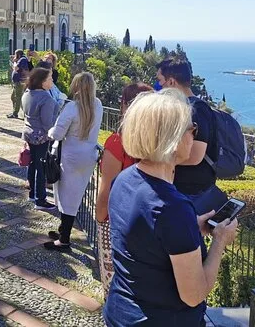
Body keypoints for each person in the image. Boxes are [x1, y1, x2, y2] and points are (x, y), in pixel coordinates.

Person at [103, 89, 238, 327]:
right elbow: (194, 295)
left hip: (120, 312)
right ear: (173, 139)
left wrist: (191, 228)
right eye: (191, 128)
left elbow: (145, 240)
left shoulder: (124, 180)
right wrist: (220, 242)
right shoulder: (172, 207)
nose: (194, 135)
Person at [95, 82, 152, 295]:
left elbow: (106, 191)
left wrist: (100, 219)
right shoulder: (157, 145)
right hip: (146, 223)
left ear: (125, 106)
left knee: (115, 285)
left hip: (116, 223)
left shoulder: (118, 143)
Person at [46, 72, 103, 251]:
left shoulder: (72, 107)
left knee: (66, 197)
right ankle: (63, 230)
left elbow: (57, 134)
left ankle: (64, 239)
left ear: (76, 86)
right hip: (89, 156)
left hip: (70, 157)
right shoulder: (98, 105)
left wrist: (49, 132)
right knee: (75, 195)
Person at [156, 57, 219, 198]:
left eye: (159, 81)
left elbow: (195, 155)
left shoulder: (196, 110)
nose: (158, 86)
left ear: (171, 82)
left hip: (193, 191)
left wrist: (156, 161)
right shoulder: (183, 107)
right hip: (183, 188)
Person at [21, 67, 57, 210]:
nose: (52, 81)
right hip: (41, 136)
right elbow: (47, 123)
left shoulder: (27, 93)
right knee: (41, 167)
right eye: (49, 78)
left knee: (32, 164)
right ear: (42, 82)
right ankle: (40, 199)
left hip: (28, 132)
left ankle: (32, 194)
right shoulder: (46, 98)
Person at [7, 49, 30, 118]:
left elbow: (16, 68)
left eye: (15, 55)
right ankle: (16, 111)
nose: (14, 56)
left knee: (18, 97)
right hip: (17, 82)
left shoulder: (22, 59)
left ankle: (16, 113)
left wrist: (14, 62)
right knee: (13, 97)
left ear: (18, 55)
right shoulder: (21, 60)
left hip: (19, 82)